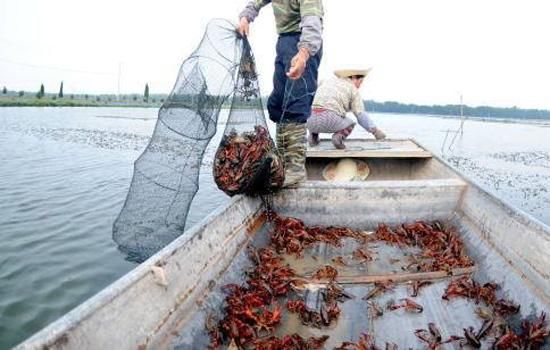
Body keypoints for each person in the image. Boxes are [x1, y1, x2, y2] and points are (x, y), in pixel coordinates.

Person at [238, 0, 324, 187]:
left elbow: (312, 24)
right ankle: (282, 164)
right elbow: (255, 3)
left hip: (303, 44)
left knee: (296, 104)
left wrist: (303, 55)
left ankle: (295, 170)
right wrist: (245, 17)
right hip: (284, 42)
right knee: (277, 104)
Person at [307, 68, 386, 149]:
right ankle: (338, 137)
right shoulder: (353, 89)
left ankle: (313, 137)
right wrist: (376, 132)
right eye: (361, 82)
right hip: (330, 119)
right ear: (354, 78)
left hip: (309, 120)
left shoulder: (325, 82)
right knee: (351, 123)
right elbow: (361, 115)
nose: (360, 85)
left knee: (316, 111)